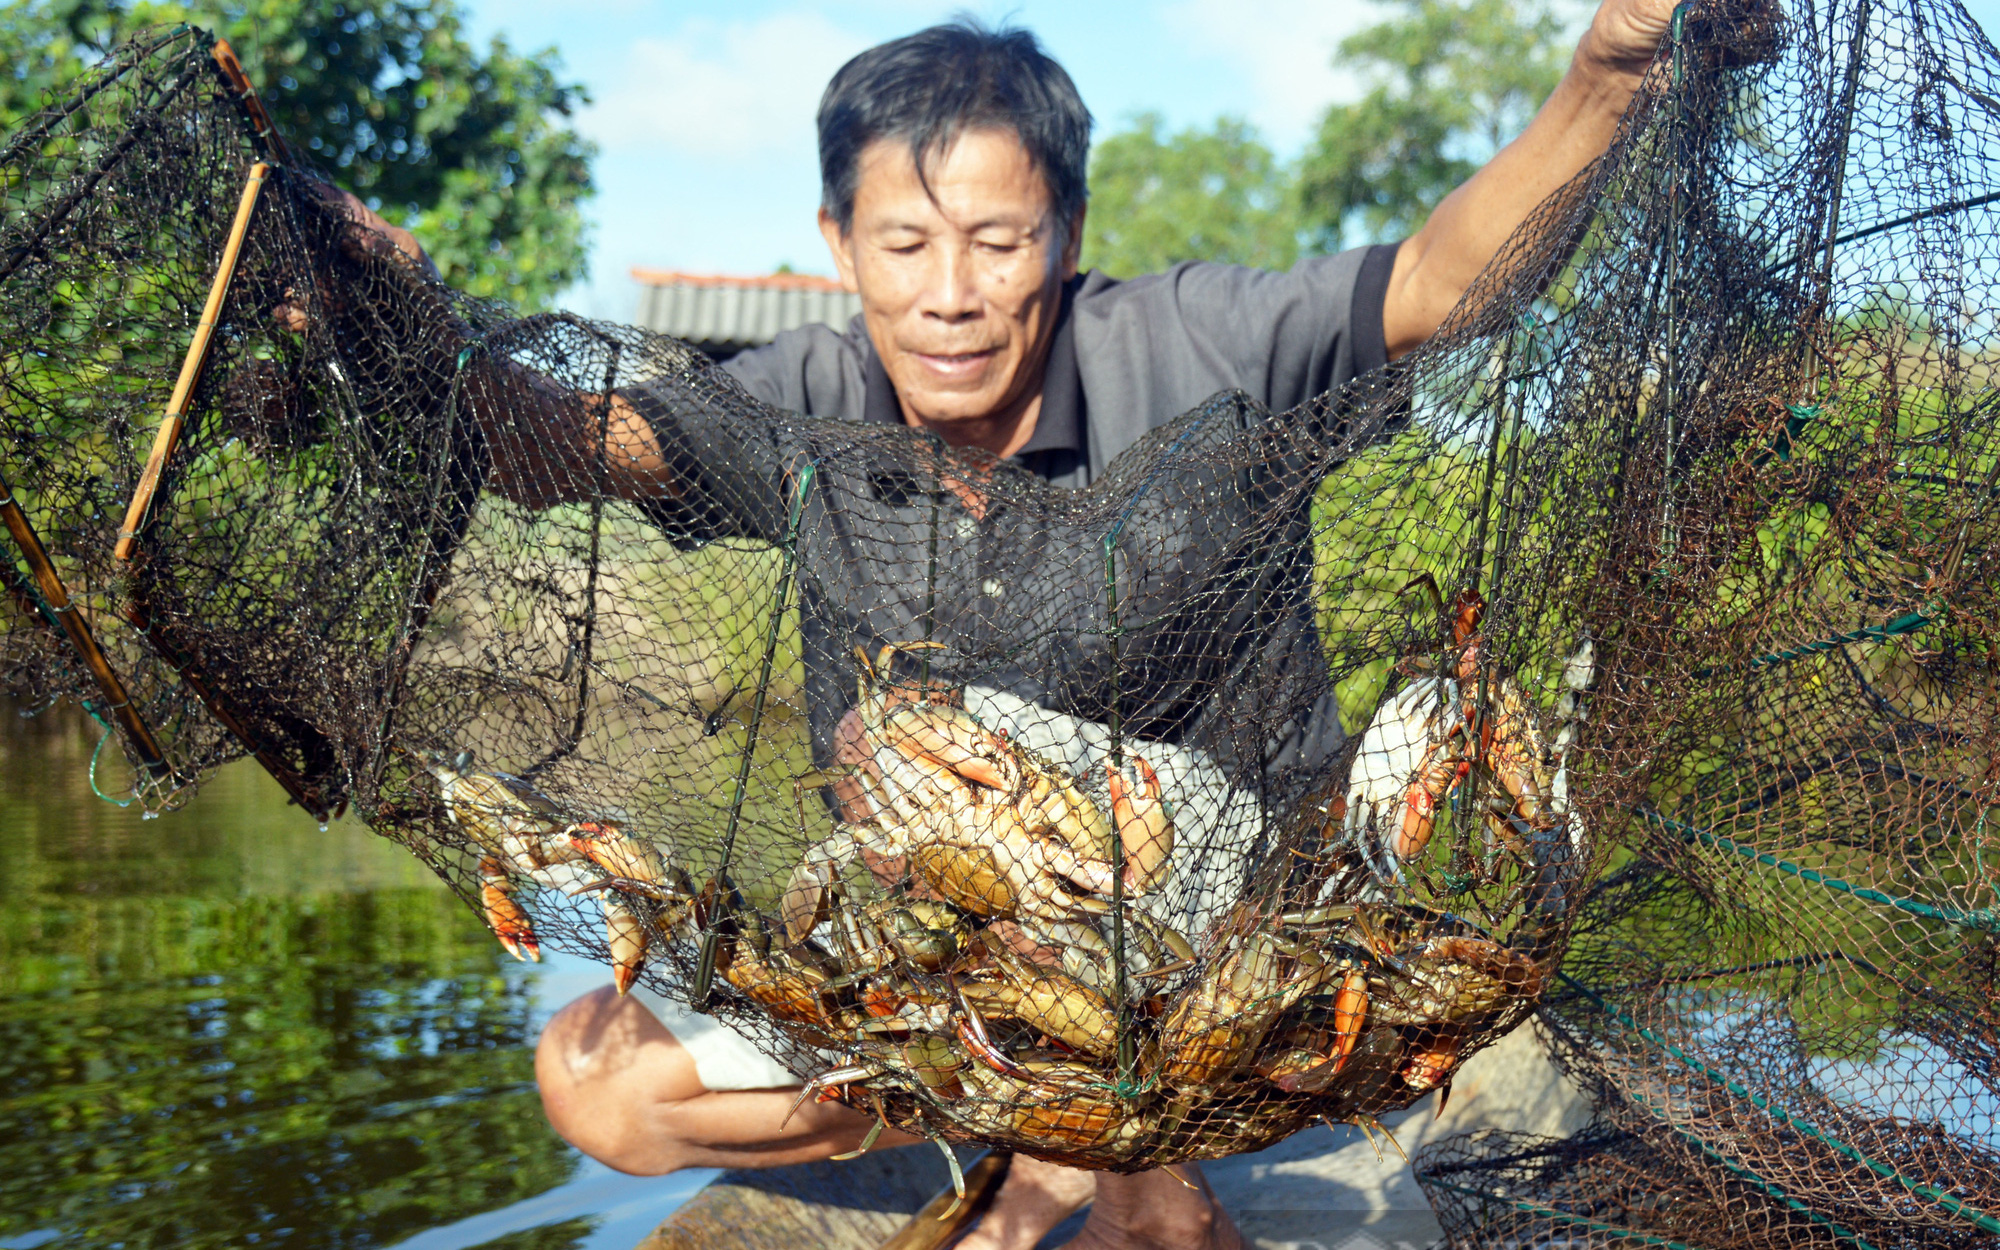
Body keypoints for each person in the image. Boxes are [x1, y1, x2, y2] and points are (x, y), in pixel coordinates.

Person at [319, 4, 1678, 1245]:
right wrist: (396, 332)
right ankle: (1002, 1125)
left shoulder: (1202, 349)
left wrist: (1607, 67)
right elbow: (559, 443)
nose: (949, 294)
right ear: (840, 244)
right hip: (946, 996)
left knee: (1161, 1222)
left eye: (997, 240)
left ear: (1068, 237)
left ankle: (1122, 1156)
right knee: (594, 1083)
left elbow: (1444, 279)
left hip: (1217, 987)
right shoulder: (801, 404)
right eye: (904, 245)